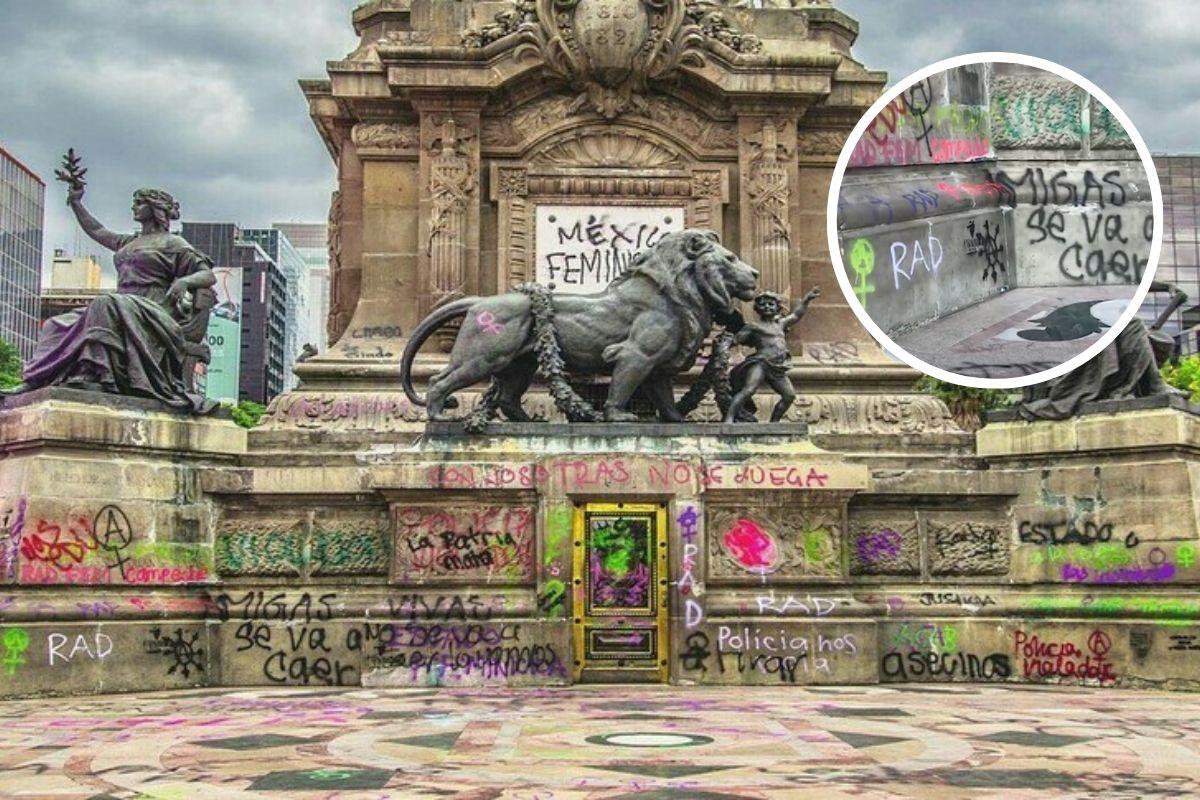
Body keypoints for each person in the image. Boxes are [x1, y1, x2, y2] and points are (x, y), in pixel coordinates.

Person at [12, 151, 215, 412]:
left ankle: (97, 374)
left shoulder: (172, 243)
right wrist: (76, 203)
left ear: (154, 209)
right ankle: (35, 380)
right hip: (123, 305)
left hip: (153, 307)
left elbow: (207, 274)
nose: (133, 207)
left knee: (103, 304)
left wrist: (185, 282)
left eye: (139, 203)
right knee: (55, 323)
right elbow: (96, 231)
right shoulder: (128, 242)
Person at [724, 287, 820, 423]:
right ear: (757, 308)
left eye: (771, 304)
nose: (767, 307)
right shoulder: (754, 327)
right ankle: (729, 418)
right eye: (763, 304)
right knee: (749, 389)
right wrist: (725, 345)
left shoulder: (780, 324)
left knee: (789, 395)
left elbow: (797, 315)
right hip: (761, 363)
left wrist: (806, 300)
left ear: (777, 307)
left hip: (778, 367)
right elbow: (736, 340)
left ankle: (774, 422)